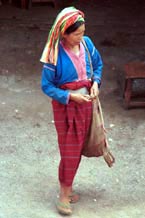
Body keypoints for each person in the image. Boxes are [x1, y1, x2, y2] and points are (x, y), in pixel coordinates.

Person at [40, 6, 103, 216]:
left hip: (85, 104)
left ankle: (66, 188)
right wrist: (69, 97)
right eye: (77, 34)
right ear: (64, 33)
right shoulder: (53, 53)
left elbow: (98, 65)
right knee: (69, 149)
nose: (81, 37)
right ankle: (63, 196)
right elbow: (46, 86)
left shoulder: (87, 44)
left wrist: (96, 83)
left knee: (76, 147)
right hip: (65, 108)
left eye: (83, 32)